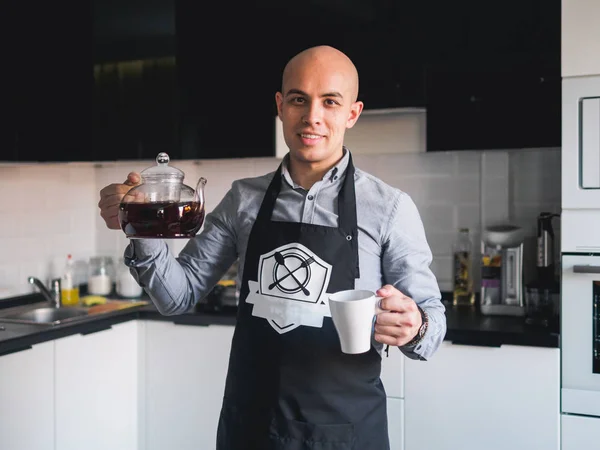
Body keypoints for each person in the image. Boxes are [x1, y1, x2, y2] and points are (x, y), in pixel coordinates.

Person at [99, 45, 446, 450]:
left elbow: (433, 329)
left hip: (345, 434)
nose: (312, 116)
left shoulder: (389, 209)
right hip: (251, 429)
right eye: (299, 99)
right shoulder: (243, 199)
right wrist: (141, 224)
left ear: (352, 113)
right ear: (281, 106)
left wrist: (415, 325)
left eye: (330, 102)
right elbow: (177, 296)